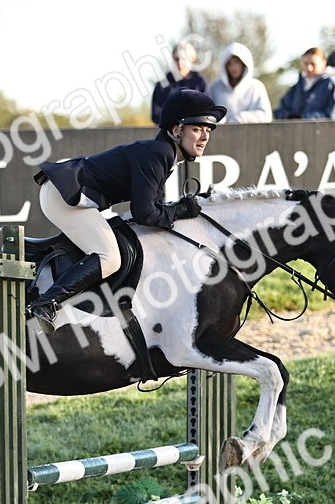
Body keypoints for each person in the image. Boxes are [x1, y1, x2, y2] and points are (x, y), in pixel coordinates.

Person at [26, 89, 226, 330]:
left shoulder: (163, 154)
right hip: (63, 195)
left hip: (64, 192)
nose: (204, 136)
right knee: (109, 257)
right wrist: (181, 210)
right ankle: (45, 304)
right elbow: (145, 215)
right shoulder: (158, 154)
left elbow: (152, 209)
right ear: (176, 130)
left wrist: (178, 209)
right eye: (197, 129)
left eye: (208, 130)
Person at [274, 47, 335, 120]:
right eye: (306, 64)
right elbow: (280, 110)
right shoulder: (298, 86)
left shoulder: (332, 85)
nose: (309, 68)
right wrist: (289, 117)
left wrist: (304, 118)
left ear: (324, 63)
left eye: (313, 64)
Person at [208, 42, 272, 123]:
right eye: (230, 63)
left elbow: (265, 115)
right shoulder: (215, 87)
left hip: (251, 133)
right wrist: (219, 118)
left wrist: (241, 118)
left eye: (237, 62)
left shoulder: (256, 87)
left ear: (244, 64)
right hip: (222, 134)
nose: (233, 67)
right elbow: (208, 114)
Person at [150, 42, 208, 126]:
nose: (180, 63)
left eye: (184, 59)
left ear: (192, 60)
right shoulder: (163, 85)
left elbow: (207, 112)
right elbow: (156, 115)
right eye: (177, 59)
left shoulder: (200, 83)